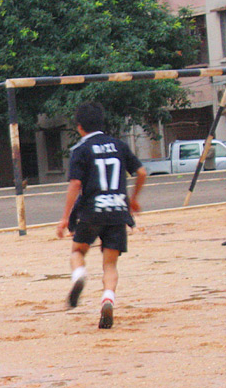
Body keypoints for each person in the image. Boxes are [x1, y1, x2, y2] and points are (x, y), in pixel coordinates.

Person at [56, 102, 146, 329]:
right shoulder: (120, 145)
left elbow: (75, 184)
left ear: (79, 127)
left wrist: (65, 217)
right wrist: (133, 199)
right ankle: (108, 299)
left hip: (91, 211)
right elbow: (142, 172)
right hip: (117, 211)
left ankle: (79, 275)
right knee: (110, 264)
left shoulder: (80, 149)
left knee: (78, 251)